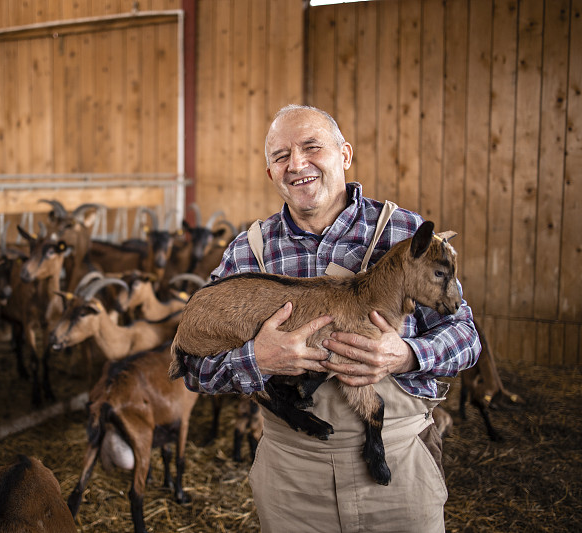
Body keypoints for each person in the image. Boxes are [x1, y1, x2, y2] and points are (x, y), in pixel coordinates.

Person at [177, 104, 480, 532]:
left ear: (344, 154)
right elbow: (191, 367)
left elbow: (466, 336)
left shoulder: (408, 235)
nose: (296, 164)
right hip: (292, 477)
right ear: (271, 174)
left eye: (311, 147)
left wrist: (407, 353)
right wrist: (256, 361)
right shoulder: (248, 252)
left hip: (398, 465)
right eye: (281, 156)